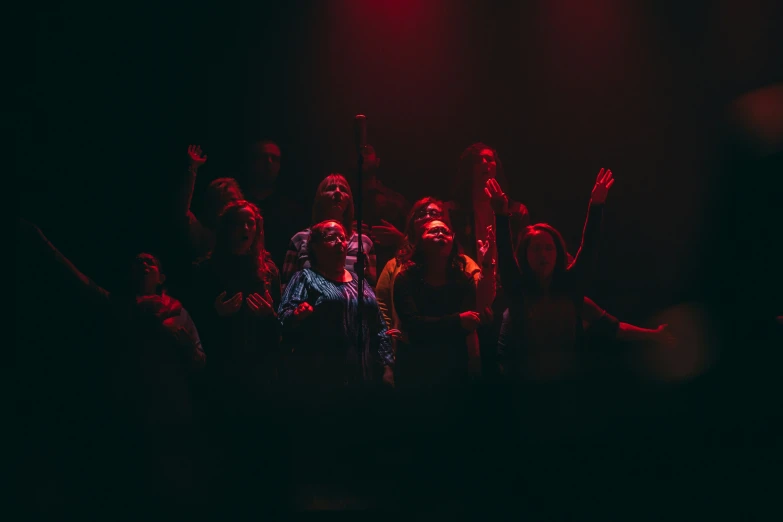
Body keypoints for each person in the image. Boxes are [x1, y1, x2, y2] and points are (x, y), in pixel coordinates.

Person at [17, 219, 205, 511]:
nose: (144, 264)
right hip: (129, 412)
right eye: (138, 262)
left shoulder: (178, 313)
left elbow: (199, 363)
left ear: (162, 276)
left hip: (170, 414)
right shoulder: (117, 308)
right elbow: (75, 278)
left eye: (151, 262)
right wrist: (41, 242)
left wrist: (186, 350)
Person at [186, 199, 283, 512]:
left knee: (257, 451)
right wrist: (213, 314)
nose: (245, 229)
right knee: (222, 451)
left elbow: (278, 326)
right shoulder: (205, 269)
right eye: (238, 223)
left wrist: (270, 316)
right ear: (225, 228)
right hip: (221, 373)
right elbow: (189, 325)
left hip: (258, 373)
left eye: (250, 223)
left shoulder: (267, 270)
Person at [375, 197, 492, 357]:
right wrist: (387, 337)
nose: (428, 216)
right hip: (412, 349)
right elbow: (382, 304)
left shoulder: (462, 264)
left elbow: (481, 297)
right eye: (421, 213)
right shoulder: (397, 266)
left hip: (456, 352)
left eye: (434, 213)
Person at [281, 173, 377, 288]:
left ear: (349, 201)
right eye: (330, 189)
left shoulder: (364, 242)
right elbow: (287, 287)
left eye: (343, 190)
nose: (337, 192)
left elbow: (371, 289)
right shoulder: (300, 239)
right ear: (320, 198)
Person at [242, 139, 308, 269]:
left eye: (274, 158)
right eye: (263, 157)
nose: (269, 163)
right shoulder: (240, 204)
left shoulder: (290, 210)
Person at [351, 144, 409, 273]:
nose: (363, 155)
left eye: (368, 151)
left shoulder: (395, 201)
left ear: (377, 161)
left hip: (388, 272)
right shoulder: (342, 198)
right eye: (360, 151)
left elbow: (415, 240)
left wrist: (399, 238)